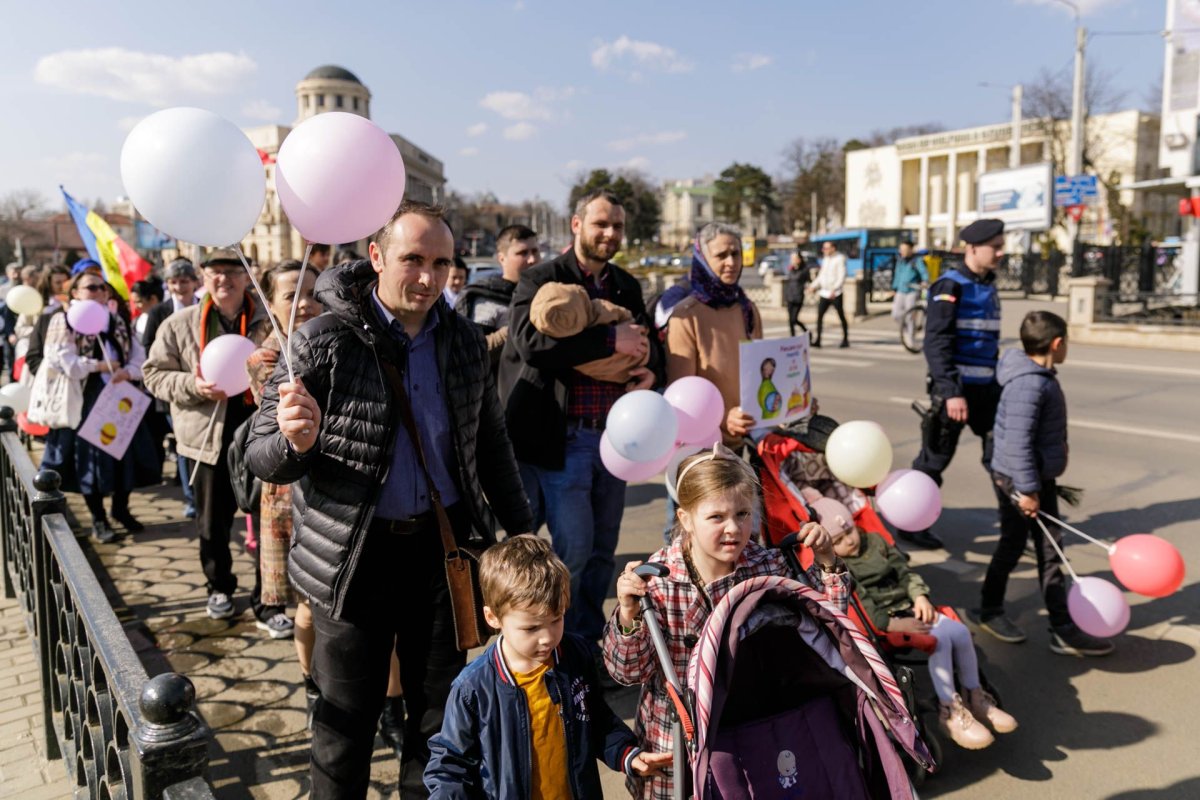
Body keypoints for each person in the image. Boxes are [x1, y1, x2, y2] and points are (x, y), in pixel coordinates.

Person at [245, 201, 533, 798]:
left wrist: (523, 533)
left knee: (438, 726)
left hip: (443, 556)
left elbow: (492, 444)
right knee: (344, 729)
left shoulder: (462, 340)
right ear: (376, 257)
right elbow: (260, 454)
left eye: (442, 263)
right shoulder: (320, 341)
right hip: (354, 559)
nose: (428, 277)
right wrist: (297, 443)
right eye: (413, 259)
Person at [605, 446, 848, 799]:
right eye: (716, 517)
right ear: (686, 518)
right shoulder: (657, 583)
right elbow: (626, 672)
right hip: (680, 734)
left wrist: (827, 562)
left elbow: (827, 628)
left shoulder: (767, 565)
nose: (733, 528)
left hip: (754, 720)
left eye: (743, 513)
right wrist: (628, 613)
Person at [500, 189, 657, 648]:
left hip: (617, 441)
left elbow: (650, 344)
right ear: (577, 225)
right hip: (564, 439)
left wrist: (652, 371)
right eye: (600, 224)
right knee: (574, 552)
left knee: (605, 550)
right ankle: (558, 646)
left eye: (617, 226)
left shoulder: (626, 285)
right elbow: (528, 343)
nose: (610, 234)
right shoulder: (541, 278)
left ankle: (589, 645)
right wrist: (609, 342)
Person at [425, 535, 670, 798]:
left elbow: (596, 719)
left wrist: (626, 753)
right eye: (531, 628)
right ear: (493, 617)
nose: (547, 637)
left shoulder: (574, 655)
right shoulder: (473, 687)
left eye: (556, 619)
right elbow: (450, 765)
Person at [815, 490, 1016, 750]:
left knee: (960, 632)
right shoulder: (842, 567)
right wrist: (891, 624)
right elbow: (862, 603)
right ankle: (950, 711)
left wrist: (920, 596)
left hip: (910, 606)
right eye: (839, 540)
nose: (849, 541)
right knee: (940, 640)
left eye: (849, 531)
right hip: (885, 621)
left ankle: (975, 695)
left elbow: (904, 571)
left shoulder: (875, 541)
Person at [970, 311, 1114, 656]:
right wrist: (1029, 491)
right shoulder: (1030, 384)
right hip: (1022, 481)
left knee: (1033, 547)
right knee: (1032, 548)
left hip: (1029, 478)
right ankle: (1040, 622)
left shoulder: (1035, 376)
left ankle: (1013, 614)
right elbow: (1017, 443)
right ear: (1057, 343)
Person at [143, 248, 270, 621]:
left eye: (233, 272)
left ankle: (269, 599)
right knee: (212, 523)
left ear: (246, 277)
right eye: (216, 272)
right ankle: (219, 587)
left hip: (260, 435)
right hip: (206, 438)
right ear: (204, 278)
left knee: (268, 522)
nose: (224, 279)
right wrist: (193, 386)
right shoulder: (179, 324)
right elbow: (153, 374)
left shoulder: (267, 320)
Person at [901, 218, 1005, 550]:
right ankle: (911, 523)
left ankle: (1013, 527)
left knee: (1003, 458)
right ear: (973, 248)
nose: (1001, 253)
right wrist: (950, 391)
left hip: (988, 390)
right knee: (933, 460)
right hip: (956, 392)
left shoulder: (988, 285)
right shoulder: (950, 286)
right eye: (995, 247)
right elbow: (936, 344)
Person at [37, 273, 154, 542]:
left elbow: (139, 357)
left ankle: (121, 509)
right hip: (86, 399)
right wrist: (98, 366)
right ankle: (98, 518)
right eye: (91, 287)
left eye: (103, 287)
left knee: (124, 455)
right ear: (75, 292)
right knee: (91, 461)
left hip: (120, 395)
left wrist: (128, 371)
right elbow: (60, 360)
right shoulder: (64, 319)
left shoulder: (116, 319)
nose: (99, 291)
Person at [665, 222, 762, 446]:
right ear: (703, 259)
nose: (731, 263)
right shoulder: (686, 315)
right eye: (721, 255)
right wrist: (724, 418)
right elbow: (682, 396)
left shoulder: (747, 309)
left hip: (746, 438)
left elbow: (760, 371)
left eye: (735, 254)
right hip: (704, 445)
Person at [142, 257, 202, 518]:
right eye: (174, 282)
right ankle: (191, 498)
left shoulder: (206, 306)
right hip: (175, 389)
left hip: (207, 388)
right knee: (183, 443)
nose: (180, 287)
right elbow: (149, 349)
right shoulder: (159, 312)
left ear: (194, 282)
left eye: (184, 281)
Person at [455, 224, 540, 364]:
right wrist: (517, 328)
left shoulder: (545, 292)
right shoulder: (485, 299)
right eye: (523, 253)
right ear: (502, 258)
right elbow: (473, 353)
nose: (532, 259)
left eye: (535, 251)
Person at [808, 241, 848, 348]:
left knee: (841, 315)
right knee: (820, 316)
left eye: (826, 248)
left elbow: (842, 276)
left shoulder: (840, 259)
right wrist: (813, 286)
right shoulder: (825, 259)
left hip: (835, 293)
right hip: (824, 292)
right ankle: (818, 340)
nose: (824, 250)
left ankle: (845, 339)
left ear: (833, 248)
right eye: (823, 248)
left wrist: (835, 289)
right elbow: (821, 275)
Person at [890, 241, 928, 324]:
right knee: (895, 314)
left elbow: (923, 272)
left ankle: (910, 331)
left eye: (904, 249)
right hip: (900, 290)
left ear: (910, 250)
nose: (902, 251)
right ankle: (904, 327)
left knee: (910, 316)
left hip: (912, 291)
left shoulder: (917, 261)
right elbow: (897, 275)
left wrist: (925, 281)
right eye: (901, 249)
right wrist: (894, 288)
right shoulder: (900, 261)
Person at [784, 250, 810, 337]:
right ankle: (792, 337)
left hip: (798, 296)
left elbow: (808, 281)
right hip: (790, 296)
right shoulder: (791, 269)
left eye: (794, 258)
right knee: (790, 320)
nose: (793, 260)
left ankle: (807, 332)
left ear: (799, 259)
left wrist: (808, 288)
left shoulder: (804, 269)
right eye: (792, 258)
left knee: (794, 319)